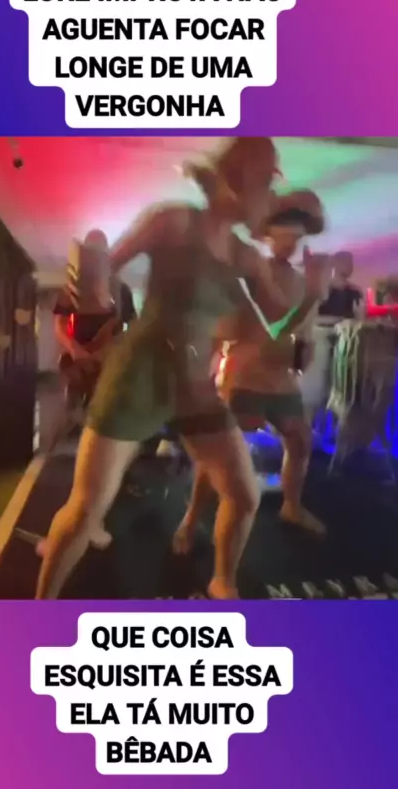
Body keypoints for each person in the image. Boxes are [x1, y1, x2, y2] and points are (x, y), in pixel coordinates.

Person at [36, 138, 330, 600]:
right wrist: (91, 284)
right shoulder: (174, 221)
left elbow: (278, 326)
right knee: (86, 509)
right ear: (238, 182)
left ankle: (222, 582)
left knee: (244, 494)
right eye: (267, 184)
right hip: (139, 378)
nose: (272, 198)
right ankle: (40, 606)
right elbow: (107, 267)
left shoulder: (245, 257)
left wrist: (312, 295)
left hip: (195, 387)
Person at [173, 191, 329, 556]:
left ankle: (291, 506)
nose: (291, 241)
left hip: (282, 381)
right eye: (285, 232)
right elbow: (266, 326)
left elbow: (301, 332)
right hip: (244, 378)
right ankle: (190, 520)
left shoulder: (303, 281)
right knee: (219, 455)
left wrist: (305, 350)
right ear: (267, 234)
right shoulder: (252, 272)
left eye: (297, 234)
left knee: (301, 441)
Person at [53, 228, 136, 409]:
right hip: (78, 362)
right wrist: (75, 350)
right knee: (76, 408)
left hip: (108, 361)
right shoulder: (70, 289)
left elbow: (132, 328)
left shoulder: (121, 290)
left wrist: (109, 351)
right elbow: (60, 325)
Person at [318, 250, 363, 319]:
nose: (350, 266)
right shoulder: (325, 290)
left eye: (351, 262)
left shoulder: (355, 291)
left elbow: (357, 314)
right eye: (346, 262)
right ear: (335, 263)